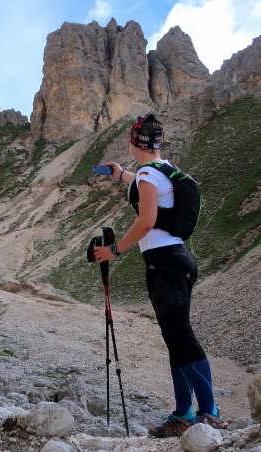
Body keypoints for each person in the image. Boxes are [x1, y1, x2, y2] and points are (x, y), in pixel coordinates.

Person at [92, 114, 228, 438]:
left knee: (181, 337)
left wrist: (114, 251)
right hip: (180, 259)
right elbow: (151, 187)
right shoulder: (162, 169)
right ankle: (184, 413)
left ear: (133, 142)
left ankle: (210, 413)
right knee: (175, 339)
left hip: (164, 263)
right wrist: (121, 174)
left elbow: (147, 221)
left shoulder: (147, 174)